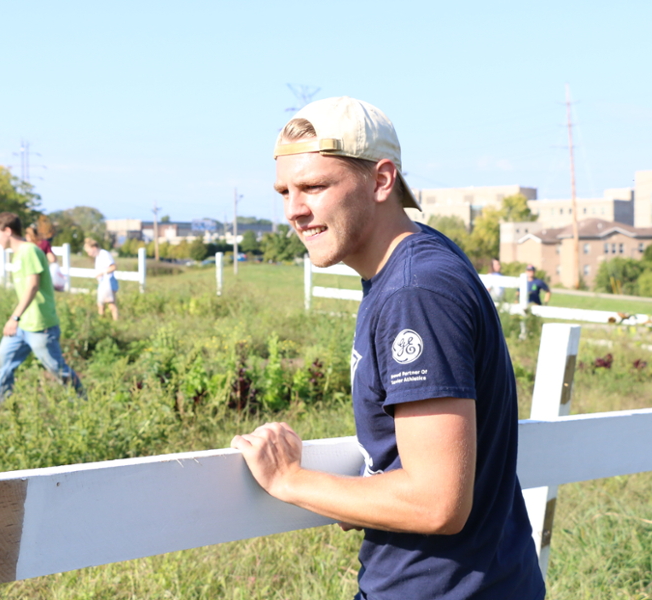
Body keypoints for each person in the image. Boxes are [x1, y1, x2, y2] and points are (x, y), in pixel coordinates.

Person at [231, 97, 544, 599]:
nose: (294, 210)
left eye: (314, 186)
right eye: (285, 191)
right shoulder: (420, 258)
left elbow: (435, 502)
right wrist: (358, 497)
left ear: (381, 181)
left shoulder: (414, 291)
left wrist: (290, 479)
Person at [0, 212, 82, 403]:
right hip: (23, 325)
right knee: (2, 363)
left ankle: (83, 402)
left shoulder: (29, 251)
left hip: (40, 325)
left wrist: (14, 317)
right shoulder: (17, 255)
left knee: (57, 369)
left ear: (8, 231)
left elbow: (33, 285)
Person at [83, 238, 119, 320]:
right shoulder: (98, 256)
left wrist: (102, 273)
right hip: (103, 283)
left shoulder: (104, 254)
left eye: (89, 251)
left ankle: (115, 321)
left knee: (111, 304)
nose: (89, 254)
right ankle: (102, 321)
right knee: (100, 304)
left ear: (94, 248)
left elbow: (113, 267)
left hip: (109, 282)